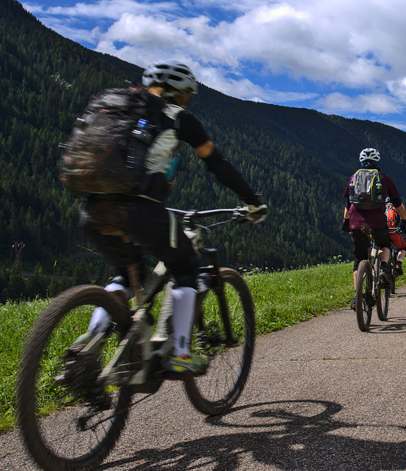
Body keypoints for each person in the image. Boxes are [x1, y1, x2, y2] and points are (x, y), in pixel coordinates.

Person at [75, 61, 268, 377]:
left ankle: (92, 338)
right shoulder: (178, 117)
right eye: (187, 95)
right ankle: (179, 353)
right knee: (185, 267)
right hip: (140, 208)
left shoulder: (114, 107)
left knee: (125, 274)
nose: (187, 100)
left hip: (93, 206)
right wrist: (252, 201)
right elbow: (217, 163)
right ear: (179, 93)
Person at [343, 148, 406, 307]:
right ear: (376, 162)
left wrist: (346, 221)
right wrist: (405, 220)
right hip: (378, 223)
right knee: (385, 244)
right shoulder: (384, 178)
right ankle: (382, 268)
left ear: (361, 162)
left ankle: (357, 296)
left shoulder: (353, 178)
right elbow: (397, 204)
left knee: (359, 259)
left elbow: (348, 205)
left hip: (356, 223)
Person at [386, 199, 406, 277]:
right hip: (394, 234)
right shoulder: (397, 210)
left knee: (382, 247)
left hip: (383, 234)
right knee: (403, 248)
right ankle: (398, 263)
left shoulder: (382, 208)